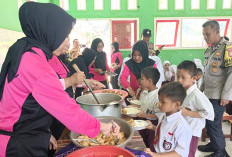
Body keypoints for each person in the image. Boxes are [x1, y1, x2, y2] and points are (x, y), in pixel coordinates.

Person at [0, 2, 119, 156]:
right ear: (50, 32)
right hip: (16, 146)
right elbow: (66, 110)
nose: (68, 42)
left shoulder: (28, 50)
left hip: (22, 136)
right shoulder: (35, 64)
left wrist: (39, 133)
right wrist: (101, 127)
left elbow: (19, 102)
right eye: (65, 36)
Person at [198, 20, 232, 157]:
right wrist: (201, 90)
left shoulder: (227, 47)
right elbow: (207, 72)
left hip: (218, 95)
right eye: (203, 34)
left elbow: (231, 73)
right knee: (209, 121)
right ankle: (214, 144)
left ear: (217, 31)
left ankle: (220, 152)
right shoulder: (211, 48)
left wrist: (226, 95)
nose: (205, 37)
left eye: (208, 34)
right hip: (209, 92)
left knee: (214, 123)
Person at [177, 60, 214, 157]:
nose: (179, 80)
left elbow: (209, 113)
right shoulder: (183, 90)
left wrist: (188, 113)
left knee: (189, 154)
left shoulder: (197, 95)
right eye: (178, 76)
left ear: (194, 78)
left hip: (192, 132)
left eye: (183, 77)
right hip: (182, 129)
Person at [144, 82, 192, 157]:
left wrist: (157, 155)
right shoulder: (165, 115)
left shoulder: (182, 127)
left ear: (177, 104)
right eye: (159, 100)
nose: (159, 104)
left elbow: (180, 153)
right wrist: (153, 127)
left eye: (163, 102)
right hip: (158, 152)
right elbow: (165, 132)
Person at [131, 67, 164, 151]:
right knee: (143, 142)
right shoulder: (144, 92)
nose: (140, 81)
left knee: (151, 144)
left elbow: (157, 115)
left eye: (142, 79)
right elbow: (141, 105)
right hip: (141, 121)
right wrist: (134, 108)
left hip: (151, 124)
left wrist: (144, 115)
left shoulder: (158, 95)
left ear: (149, 81)